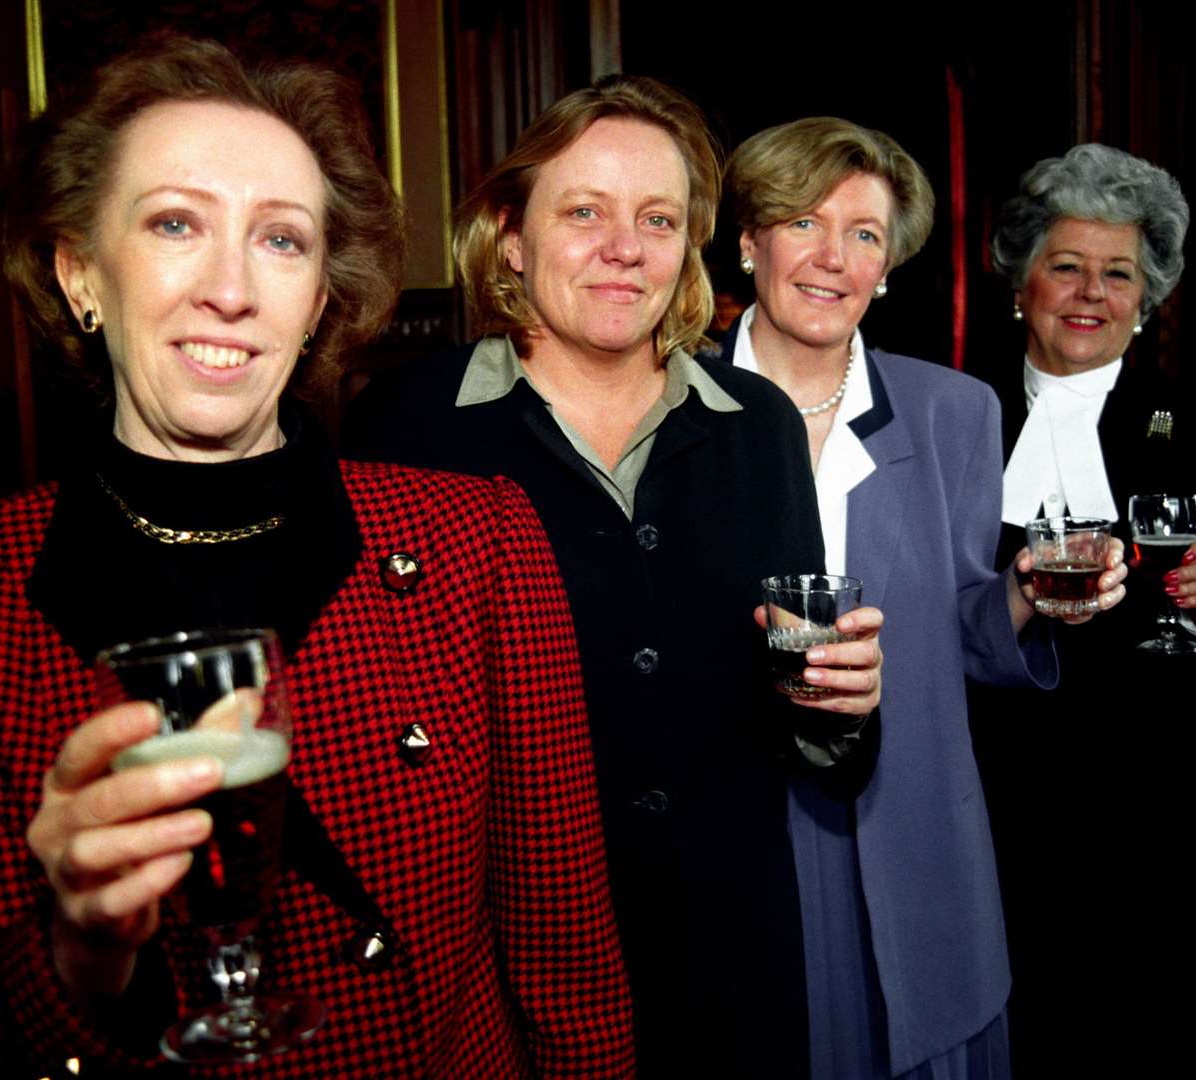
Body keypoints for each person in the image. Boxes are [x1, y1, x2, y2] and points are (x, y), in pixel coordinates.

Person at [0, 37, 633, 1078]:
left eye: (281, 241)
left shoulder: (478, 540)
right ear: (80, 271)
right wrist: (77, 944)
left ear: (317, 305)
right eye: (175, 223)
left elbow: (566, 960)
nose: (230, 288)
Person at [343, 78, 885, 1078]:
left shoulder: (756, 426)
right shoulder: (405, 429)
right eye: (583, 211)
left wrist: (839, 707)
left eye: (657, 218)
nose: (623, 246)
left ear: (689, 246)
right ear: (511, 235)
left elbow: (811, 727)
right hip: (502, 974)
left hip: (732, 962)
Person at [712, 117, 1125, 1079]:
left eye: (864, 234)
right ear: (747, 241)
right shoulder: (670, 405)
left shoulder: (955, 411)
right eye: (804, 222)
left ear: (889, 265)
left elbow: (961, 635)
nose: (832, 258)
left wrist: (1025, 594)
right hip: (747, 831)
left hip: (914, 826)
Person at [973, 143, 1196, 1072]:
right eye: (1066, 266)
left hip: (1157, 802)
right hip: (996, 789)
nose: (1090, 292)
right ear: (1022, 282)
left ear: (1147, 301)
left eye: (1118, 273)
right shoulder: (952, 417)